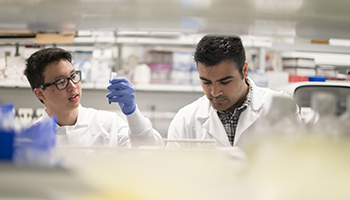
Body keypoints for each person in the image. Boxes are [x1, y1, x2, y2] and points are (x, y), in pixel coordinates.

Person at [166, 35, 300, 149]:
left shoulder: (280, 109)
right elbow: (171, 174)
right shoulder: (185, 120)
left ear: (245, 70)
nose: (215, 92)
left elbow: (296, 166)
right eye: (206, 82)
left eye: (225, 82)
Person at [24, 47, 164, 147]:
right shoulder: (29, 140)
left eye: (73, 76)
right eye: (61, 82)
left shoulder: (108, 124)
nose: (72, 86)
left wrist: (132, 112)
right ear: (40, 93)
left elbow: (151, 150)